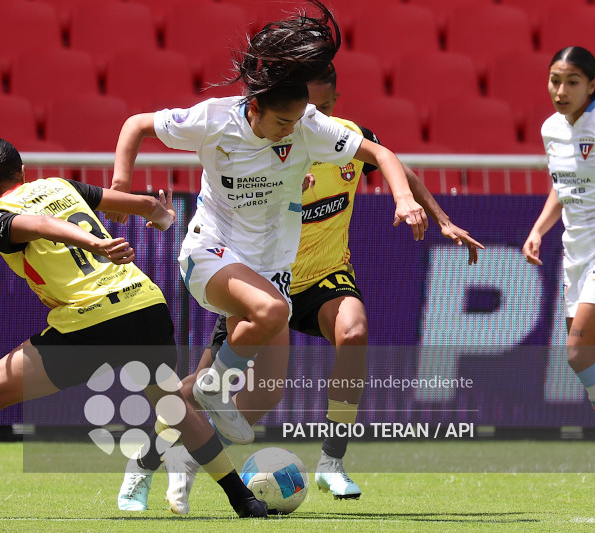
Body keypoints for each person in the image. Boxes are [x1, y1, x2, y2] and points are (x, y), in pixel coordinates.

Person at [113, 0, 428, 512]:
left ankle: (149, 458)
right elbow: (135, 125)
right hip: (211, 254)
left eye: (298, 121)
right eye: (281, 121)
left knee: (247, 395)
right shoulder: (212, 121)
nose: (291, 131)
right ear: (254, 107)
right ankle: (200, 417)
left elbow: (381, 153)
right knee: (269, 315)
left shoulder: (307, 128)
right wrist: (122, 188)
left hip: (270, 276)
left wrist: (405, 198)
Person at [0, 138, 267, 519]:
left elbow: (38, 226)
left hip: (91, 320)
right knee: (170, 405)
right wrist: (159, 214)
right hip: (145, 303)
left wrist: (94, 244)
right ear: (21, 170)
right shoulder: (60, 186)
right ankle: (244, 500)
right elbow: (133, 204)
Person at [152, 65, 484, 514]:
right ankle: (167, 455)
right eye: (304, 111)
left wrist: (438, 217)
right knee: (236, 392)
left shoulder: (339, 136)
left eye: (322, 108)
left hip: (326, 276)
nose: (311, 119)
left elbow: (396, 165)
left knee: (355, 332)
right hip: (264, 278)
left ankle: (332, 459)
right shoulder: (271, 144)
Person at [523, 46, 595, 491]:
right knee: (590, 359)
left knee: (578, 352)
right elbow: (562, 184)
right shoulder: (550, 128)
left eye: (572, 82)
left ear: (592, 84)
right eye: (554, 81)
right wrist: (539, 229)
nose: (560, 91)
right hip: (574, 250)